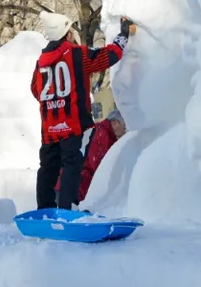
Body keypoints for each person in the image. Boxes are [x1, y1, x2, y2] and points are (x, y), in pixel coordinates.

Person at [32, 12, 134, 210]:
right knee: (72, 165)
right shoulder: (77, 54)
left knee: (47, 168)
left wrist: (55, 101)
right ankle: (66, 209)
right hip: (72, 125)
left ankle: (43, 211)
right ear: (67, 33)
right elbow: (109, 55)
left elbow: (36, 91)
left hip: (49, 128)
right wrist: (123, 35)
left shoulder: (41, 62)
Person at [55, 109, 127, 203]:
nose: (125, 131)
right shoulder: (102, 134)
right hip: (73, 188)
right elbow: (98, 166)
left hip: (70, 184)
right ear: (114, 123)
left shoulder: (104, 133)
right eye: (124, 127)